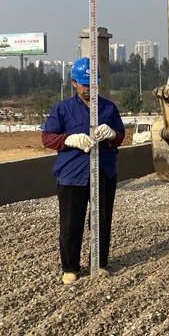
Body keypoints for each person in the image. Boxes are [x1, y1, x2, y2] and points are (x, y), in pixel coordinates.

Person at [42, 57, 125, 285]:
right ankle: (70, 267)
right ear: (74, 84)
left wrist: (111, 135)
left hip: (104, 172)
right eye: (84, 83)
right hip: (72, 175)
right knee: (71, 223)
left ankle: (99, 263)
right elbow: (47, 138)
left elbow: (120, 136)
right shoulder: (62, 109)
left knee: (101, 220)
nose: (89, 88)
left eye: (93, 84)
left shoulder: (108, 108)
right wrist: (69, 139)